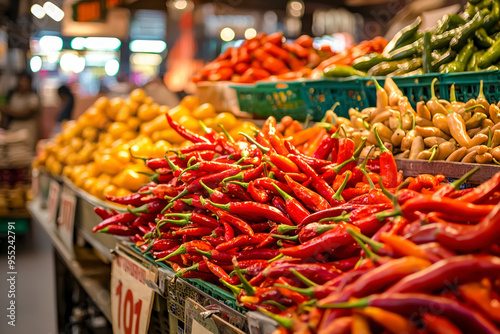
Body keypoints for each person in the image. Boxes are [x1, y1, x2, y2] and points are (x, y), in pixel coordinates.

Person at [0, 72, 40, 153]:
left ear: (30, 83)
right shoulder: (13, 96)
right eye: (20, 81)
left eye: (25, 81)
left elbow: (25, 113)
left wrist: (7, 110)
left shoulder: (33, 98)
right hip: (12, 131)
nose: (22, 84)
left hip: (27, 132)